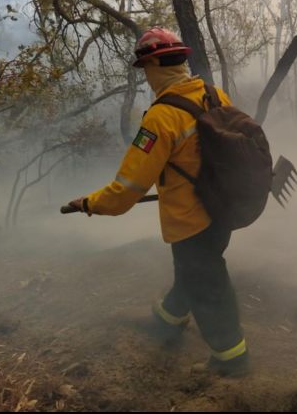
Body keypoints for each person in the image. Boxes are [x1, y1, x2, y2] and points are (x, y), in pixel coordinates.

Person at [67, 27, 249, 377]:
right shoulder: (214, 95)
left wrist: (89, 203)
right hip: (222, 210)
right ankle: (167, 320)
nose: (146, 76)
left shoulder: (161, 117)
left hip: (190, 220)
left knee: (208, 284)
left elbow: (125, 191)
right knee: (194, 270)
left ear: (154, 65)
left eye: (145, 68)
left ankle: (232, 360)